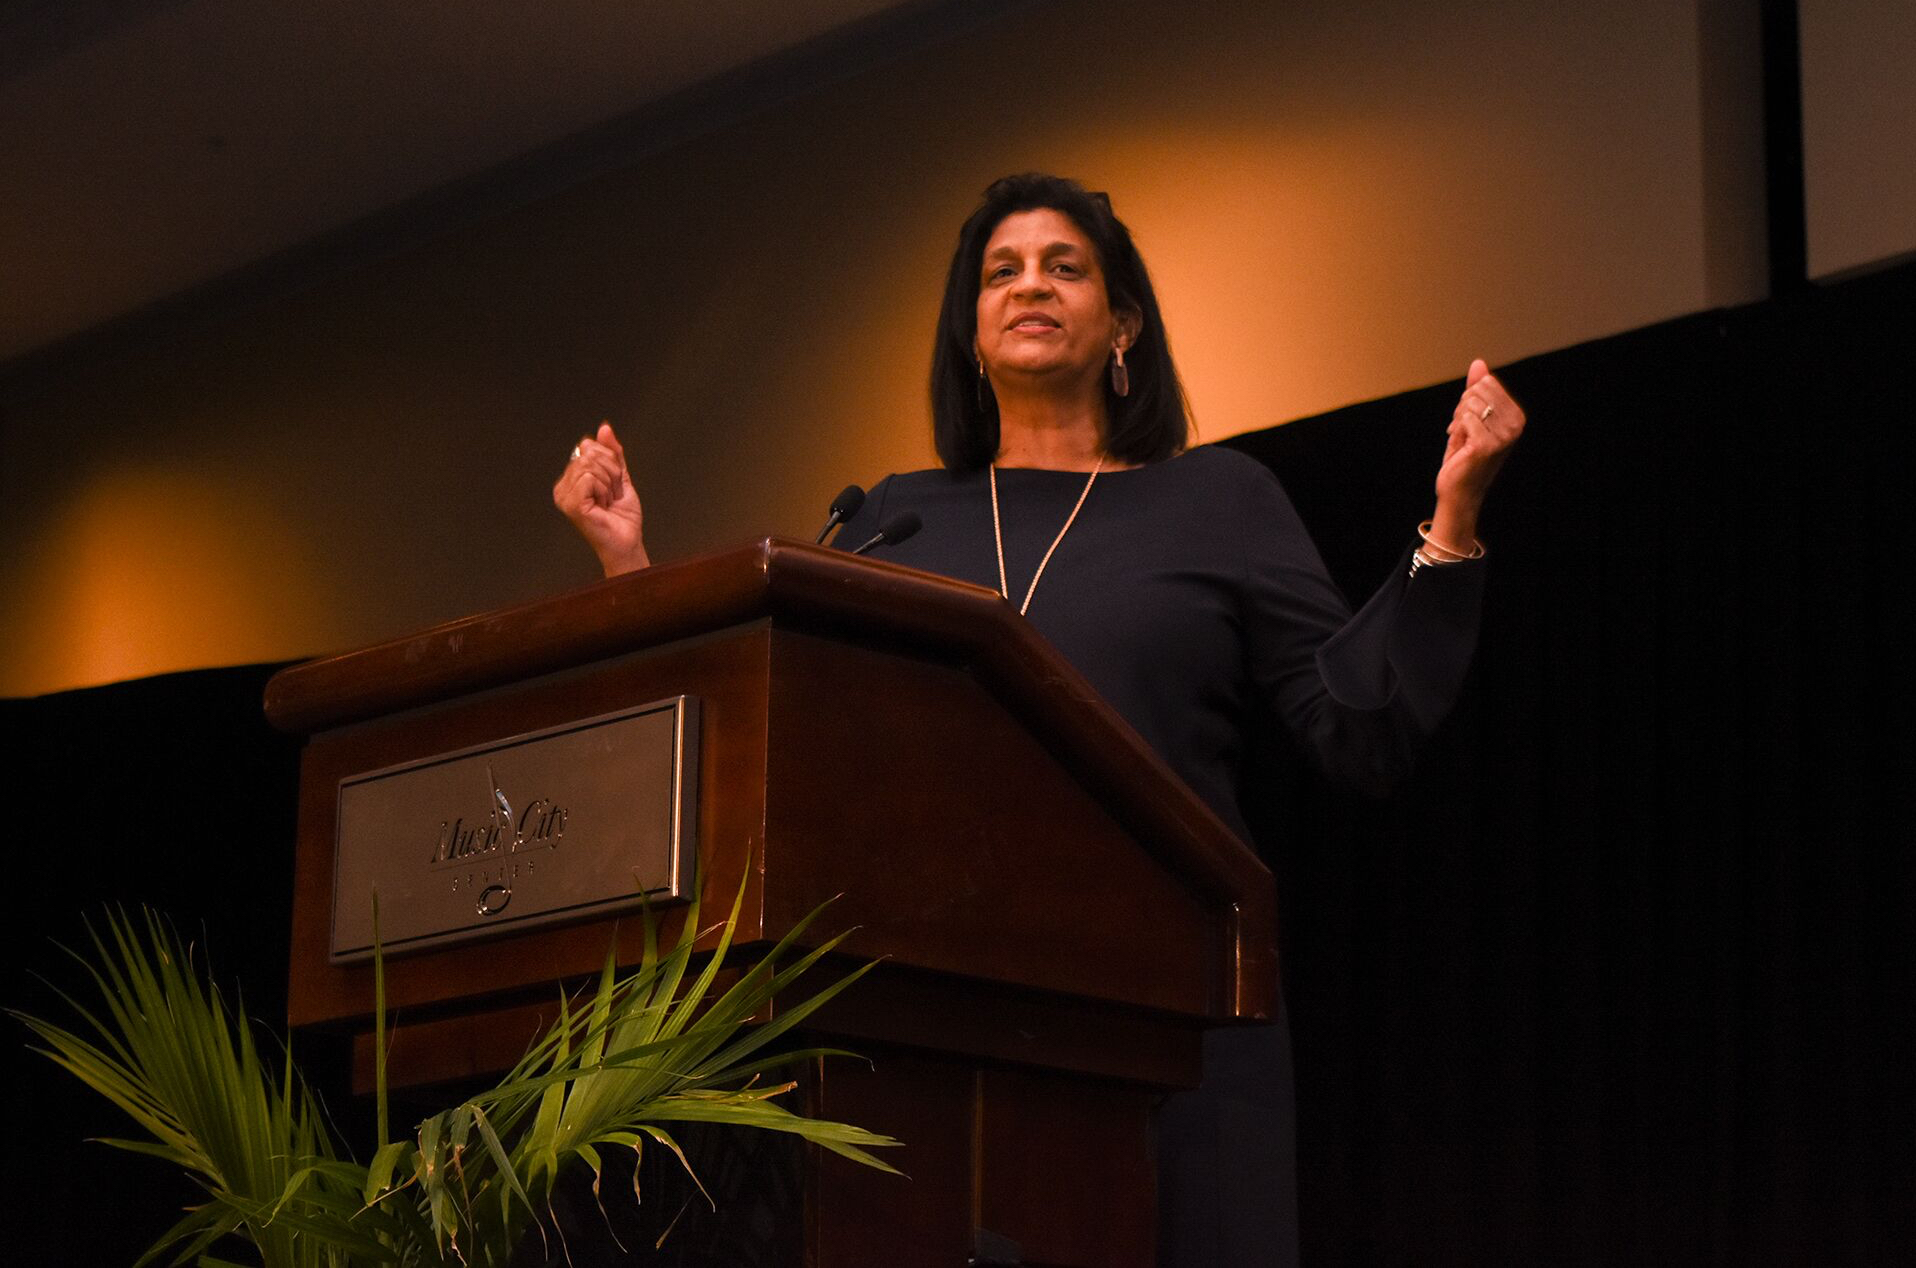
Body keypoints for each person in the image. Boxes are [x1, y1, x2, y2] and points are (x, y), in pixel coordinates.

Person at [554, 172, 1525, 1267]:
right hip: (944, 1024)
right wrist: (631, 572)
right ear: (971, 337)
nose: (1032, 286)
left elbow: (1359, 729)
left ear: (1124, 327)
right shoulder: (893, 523)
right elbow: (781, 736)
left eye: (1065, 268)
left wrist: (1452, 519)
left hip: (1180, 1018)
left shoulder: (1218, 501)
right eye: (1001, 273)